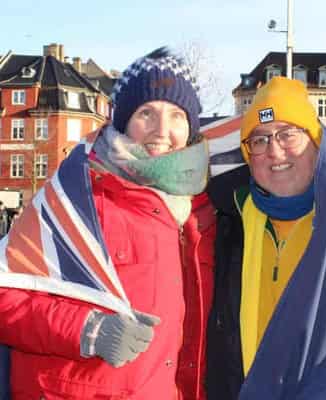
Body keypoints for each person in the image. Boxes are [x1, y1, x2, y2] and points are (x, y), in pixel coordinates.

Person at [0, 47, 215, 399]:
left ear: (190, 126)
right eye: (147, 112)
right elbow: (6, 294)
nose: (162, 130)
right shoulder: (76, 198)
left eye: (176, 115)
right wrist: (87, 330)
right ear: (123, 120)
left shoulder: (199, 209)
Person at [206, 76, 326, 400]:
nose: (274, 150)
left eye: (288, 134)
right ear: (247, 154)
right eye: (259, 140)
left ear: (316, 141)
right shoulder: (222, 224)